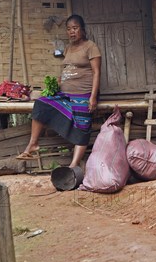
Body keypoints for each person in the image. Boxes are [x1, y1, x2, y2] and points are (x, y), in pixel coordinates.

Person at [16, 14, 101, 168]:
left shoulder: (91, 47)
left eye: (75, 28)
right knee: (41, 104)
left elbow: (96, 72)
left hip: (83, 94)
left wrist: (93, 97)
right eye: (69, 29)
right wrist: (57, 83)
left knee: (83, 125)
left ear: (82, 29)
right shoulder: (68, 48)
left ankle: (73, 165)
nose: (72, 32)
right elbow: (67, 68)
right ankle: (33, 145)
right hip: (65, 94)